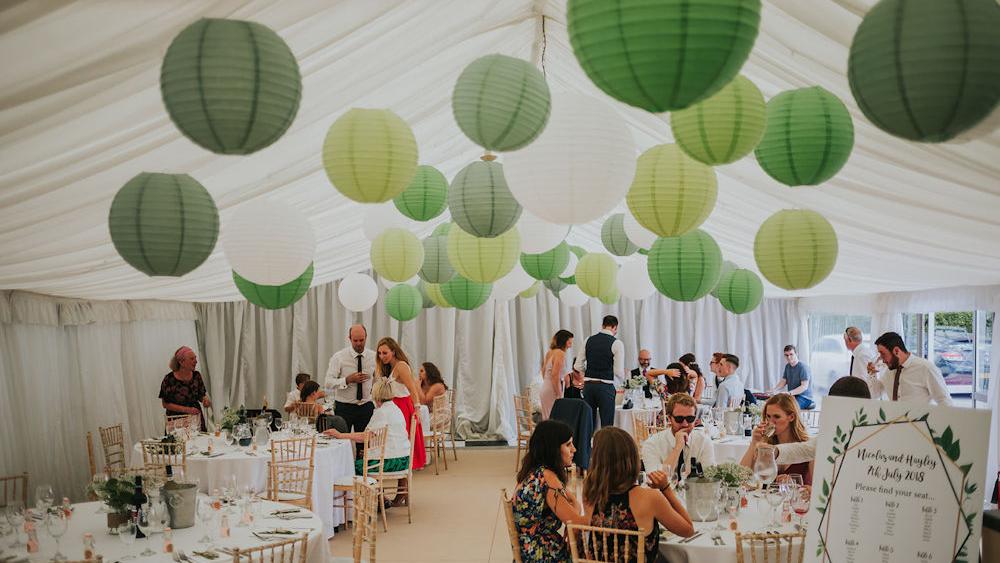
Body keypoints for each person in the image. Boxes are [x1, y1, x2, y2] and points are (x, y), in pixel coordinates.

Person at [581, 427, 694, 562]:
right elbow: (688, 530)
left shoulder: (589, 493)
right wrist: (666, 489)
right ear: (632, 459)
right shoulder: (650, 498)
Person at [511, 420, 580, 563]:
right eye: (568, 445)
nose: (574, 449)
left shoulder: (532, 471)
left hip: (528, 549)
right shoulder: (547, 478)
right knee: (593, 552)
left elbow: (572, 501)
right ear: (553, 449)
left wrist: (573, 510)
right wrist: (577, 513)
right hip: (541, 553)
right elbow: (576, 522)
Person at [766, 376, 872, 465]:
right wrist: (776, 451)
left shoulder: (875, 434)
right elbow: (805, 449)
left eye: (838, 408)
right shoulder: (835, 435)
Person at [323, 378, 411, 476]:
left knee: (348, 466)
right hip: (405, 459)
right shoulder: (396, 409)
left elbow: (366, 437)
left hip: (390, 462)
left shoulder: (381, 412)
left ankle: (351, 491)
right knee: (360, 460)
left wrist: (340, 435)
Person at [376, 337, 427, 471]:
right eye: (379, 353)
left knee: (403, 436)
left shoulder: (401, 366)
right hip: (393, 405)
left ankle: (407, 463)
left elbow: (412, 388)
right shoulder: (390, 367)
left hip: (403, 404)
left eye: (385, 353)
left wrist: (417, 408)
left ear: (393, 351)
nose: (382, 356)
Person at [741, 394, 813, 485]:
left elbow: (816, 488)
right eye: (768, 416)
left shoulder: (807, 447)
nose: (771, 422)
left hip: (795, 498)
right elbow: (741, 476)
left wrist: (793, 483)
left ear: (791, 417)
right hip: (766, 497)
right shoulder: (765, 445)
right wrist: (754, 442)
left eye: (777, 417)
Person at [641, 394, 715, 481]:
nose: (685, 424)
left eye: (690, 419)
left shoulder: (703, 441)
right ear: (669, 418)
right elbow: (656, 481)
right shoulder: (652, 444)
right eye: (679, 419)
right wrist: (678, 448)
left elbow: (709, 479)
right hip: (662, 494)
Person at [867, 331, 953, 405]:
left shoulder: (926, 368)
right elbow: (874, 394)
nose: (881, 359)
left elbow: (945, 402)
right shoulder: (888, 370)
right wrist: (872, 374)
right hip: (893, 422)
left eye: (883, 354)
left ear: (896, 351)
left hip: (918, 423)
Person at [324, 325, 377, 436]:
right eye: (355, 340)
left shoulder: (374, 357)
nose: (358, 343)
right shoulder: (339, 357)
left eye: (361, 340)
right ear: (349, 338)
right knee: (341, 443)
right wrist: (347, 380)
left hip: (366, 406)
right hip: (344, 407)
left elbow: (379, 380)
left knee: (365, 445)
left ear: (366, 337)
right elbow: (328, 382)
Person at [574, 316, 625, 429]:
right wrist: (623, 382)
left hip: (588, 387)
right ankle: (605, 447)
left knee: (588, 424)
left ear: (602, 326)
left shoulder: (588, 340)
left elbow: (577, 365)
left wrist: (587, 373)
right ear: (615, 327)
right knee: (607, 425)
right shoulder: (617, 343)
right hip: (605, 387)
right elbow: (618, 371)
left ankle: (588, 446)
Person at [159, 346, 211, 431]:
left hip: (195, 419)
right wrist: (187, 410)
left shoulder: (196, 376)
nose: (196, 361)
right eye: (192, 359)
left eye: (195, 358)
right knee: (180, 443)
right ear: (181, 362)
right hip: (176, 421)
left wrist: (205, 400)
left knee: (199, 443)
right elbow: (165, 404)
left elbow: (201, 395)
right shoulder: (169, 379)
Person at [769, 345, 815, 410]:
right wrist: (774, 390)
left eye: (791, 354)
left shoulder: (803, 367)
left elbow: (804, 386)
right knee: (777, 404)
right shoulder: (787, 366)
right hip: (793, 396)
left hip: (805, 397)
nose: (789, 357)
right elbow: (783, 381)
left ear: (796, 354)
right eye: (786, 355)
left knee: (787, 408)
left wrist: (789, 393)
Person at [540, 330, 574, 419]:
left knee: (547, 418)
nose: (571, 342)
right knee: (554, 419)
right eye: (570, 340)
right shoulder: (560, 353)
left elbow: (543, 371)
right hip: (553, 389)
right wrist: (559, 393)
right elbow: (555, 375)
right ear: (565, 340)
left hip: (546, 387)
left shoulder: (550, 352)